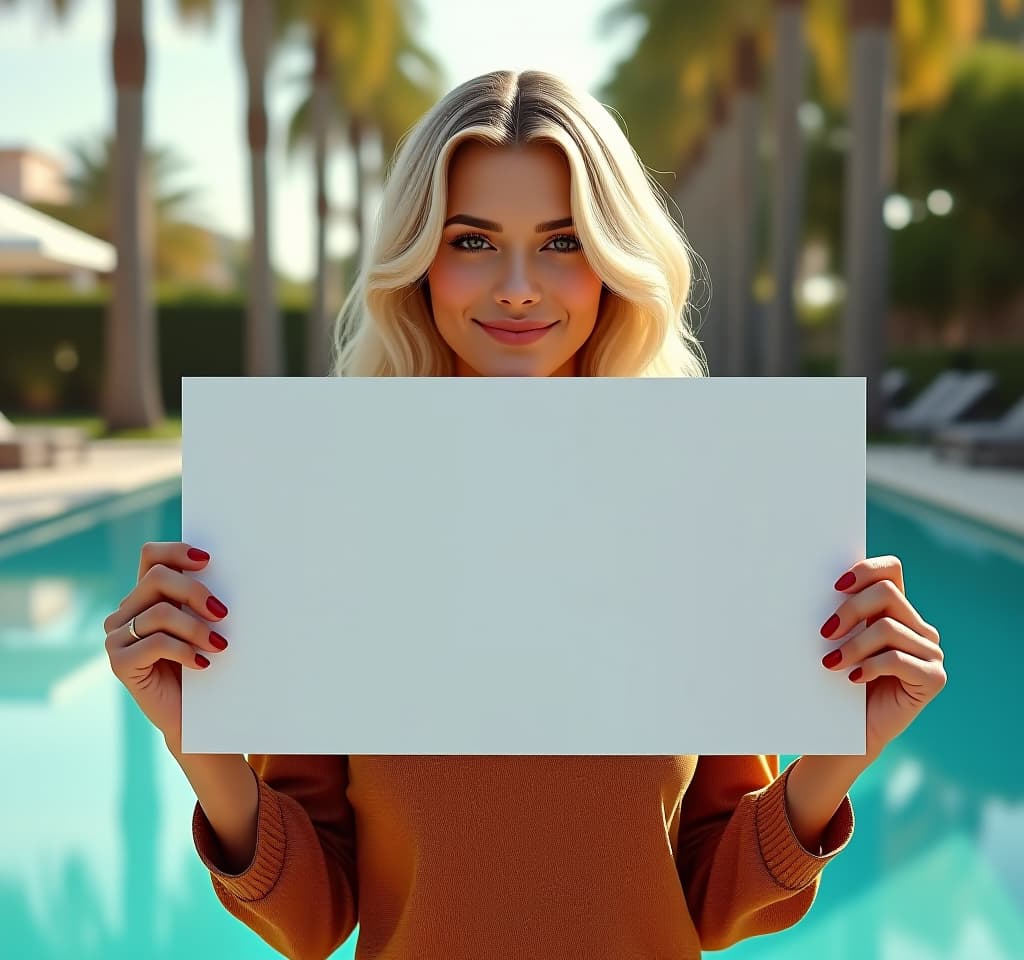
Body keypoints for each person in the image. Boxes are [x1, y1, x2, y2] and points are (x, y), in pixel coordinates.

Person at [103, 69, 947, 960]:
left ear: (614, 263)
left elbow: (708, 897)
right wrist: (198, 739)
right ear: (420, 261)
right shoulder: (337, 516)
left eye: (562, 241)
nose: (516, 286)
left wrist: (847, 747)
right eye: (472, 240)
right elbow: (314, 918)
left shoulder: (697, 511)